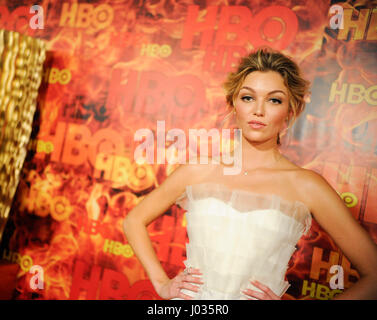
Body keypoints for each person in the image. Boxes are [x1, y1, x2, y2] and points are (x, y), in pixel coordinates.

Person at [123, 47, 377, 300]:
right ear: (233, 103)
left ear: (291, 110)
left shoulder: (306, 185)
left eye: (274, 100)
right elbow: (133, 221)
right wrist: (162, 284)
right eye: (248, 97)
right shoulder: (198, 170)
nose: (259, 110)